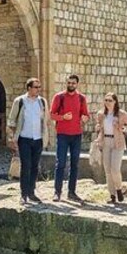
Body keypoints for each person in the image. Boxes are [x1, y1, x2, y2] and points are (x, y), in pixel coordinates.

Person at [7, 78, 50, 205]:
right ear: (29, 88)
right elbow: (12, 120)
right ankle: (24, 194)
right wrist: (12, 137)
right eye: (36, 87)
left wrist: (46, 135)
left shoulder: (42, 102)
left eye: (39, 87)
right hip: (24, 138)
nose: (38, 89)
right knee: (26, 166)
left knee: (34, 166)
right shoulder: (20, 101)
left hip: (38, 138)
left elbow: (46, 119)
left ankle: (31, 192)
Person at [50, 74, 91, 203]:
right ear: (66, 83)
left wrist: (85, 118)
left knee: (75, 164)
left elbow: (86, 115)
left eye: (73, 83)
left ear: (77, 84)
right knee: (60, 163)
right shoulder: (59, 97)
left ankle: (71, 192)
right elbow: (51, 115)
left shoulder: (81, 98)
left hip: (77, 135)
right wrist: (63, 117)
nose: (71, 85)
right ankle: (57, 192)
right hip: (62, 134)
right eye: (69, 82)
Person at [94, 93, 127, 205]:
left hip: (118, 142)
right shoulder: (101, 114)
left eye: (110, 100)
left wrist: (123, 128)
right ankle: (112, 195)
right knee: (107, 170)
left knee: (115, 169)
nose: (107, 102)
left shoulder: (121, 114)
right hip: (105, 142)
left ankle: (118, 189)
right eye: (106, 100)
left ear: (115, 102)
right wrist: (97, 128)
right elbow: (99, 127)